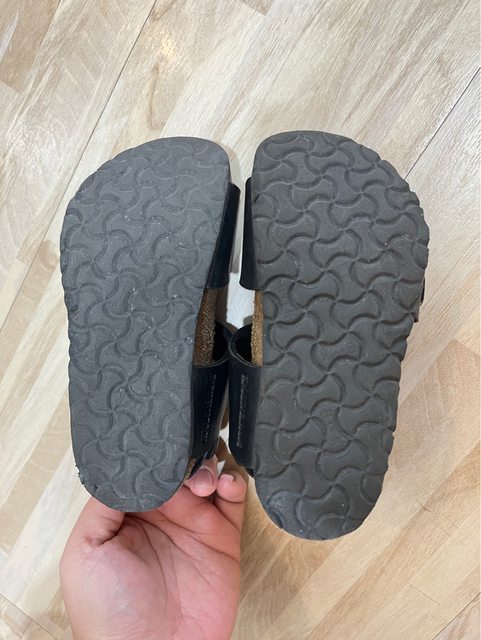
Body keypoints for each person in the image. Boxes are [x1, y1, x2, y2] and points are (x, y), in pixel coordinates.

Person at [60, 454, 248, 640]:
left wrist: (120, 486)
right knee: (195, 466)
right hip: (192, 526)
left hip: (146, 500)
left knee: (190, 464)